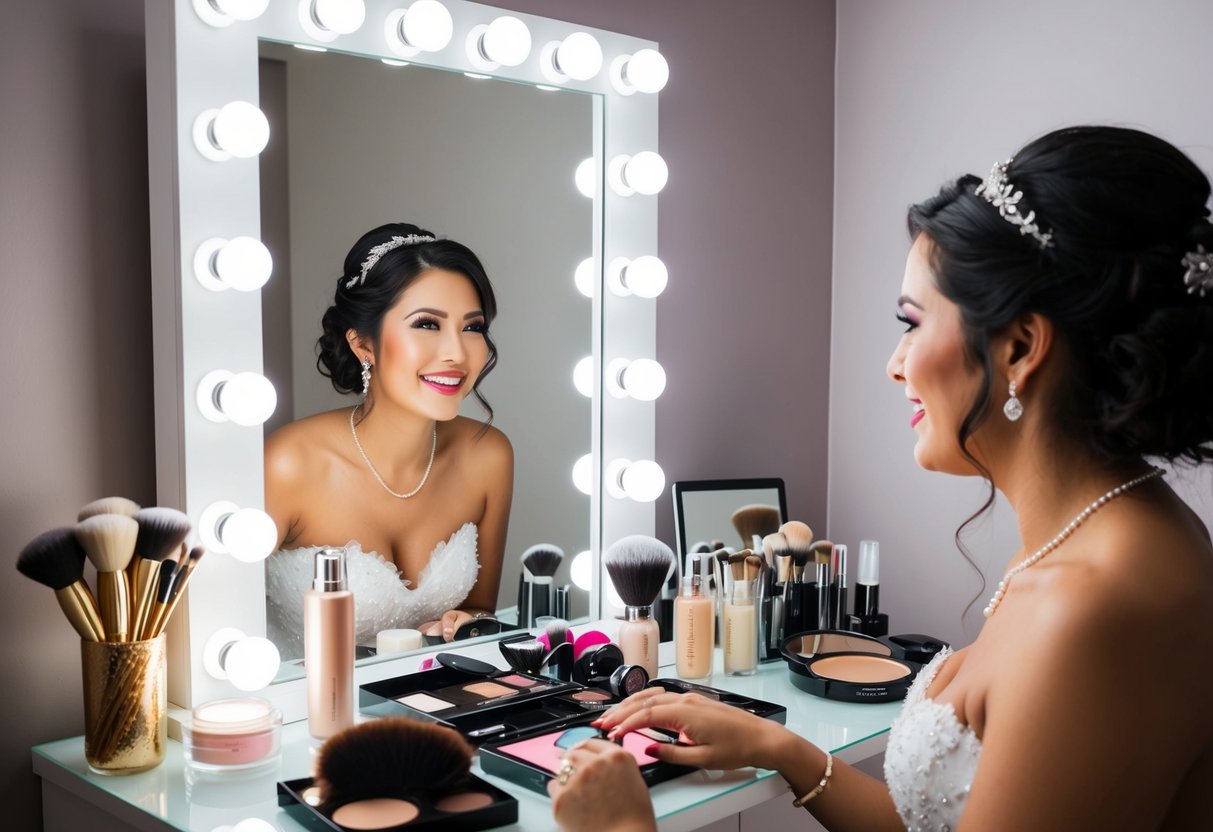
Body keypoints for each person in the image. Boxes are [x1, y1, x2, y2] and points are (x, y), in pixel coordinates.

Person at [549, 127, 1213, 831]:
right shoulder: (1108, 536)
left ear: (1018, 348)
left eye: (911, 322)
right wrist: (783, 750)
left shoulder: (1088, 603)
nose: (894, 365)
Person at [264, 223, 513, 658]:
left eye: (472, 327)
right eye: (427, 324)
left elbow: (478, 613)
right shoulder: (289, 465)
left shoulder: (488, 456)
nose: (457, 351)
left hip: (432, 711)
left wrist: (466, 622)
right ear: (363, 344)